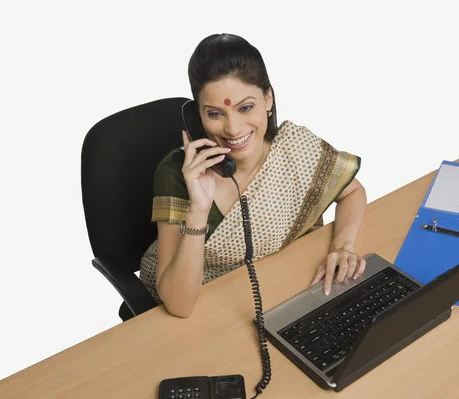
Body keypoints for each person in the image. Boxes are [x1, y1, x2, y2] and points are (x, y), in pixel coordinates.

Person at [139, 33, 368, 318]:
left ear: (268, 98)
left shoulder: (295, 149)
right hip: (210, 304)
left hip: (282, 284)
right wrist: (198, 209)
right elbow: (179, 305)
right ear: (197, 117)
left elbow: (353, 192)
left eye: (245, 107)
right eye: (215, 114)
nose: (233, 129)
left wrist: (343, 247)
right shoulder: (177, 173)